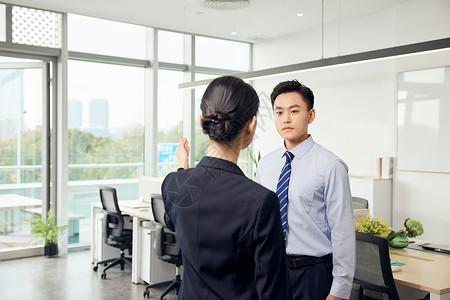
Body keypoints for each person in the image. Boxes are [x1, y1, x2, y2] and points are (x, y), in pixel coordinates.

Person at [161, 76, 292, 300]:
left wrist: (183, 168)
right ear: (251, 125)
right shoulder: (261, 202)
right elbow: (273, 291)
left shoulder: (174, 184)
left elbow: (174, 217)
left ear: (202, 121)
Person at [256, 79, 355, 300]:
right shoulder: (266, 164)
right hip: (272, 270)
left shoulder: (330, 166)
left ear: (310, 115)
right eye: (279, 113)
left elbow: (343, 232)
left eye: (294, 111)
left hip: (313, 273)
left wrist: (339, 290)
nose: (286, 119)